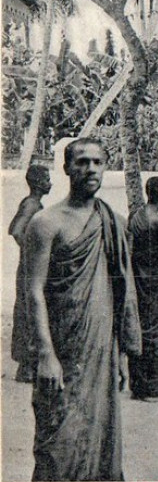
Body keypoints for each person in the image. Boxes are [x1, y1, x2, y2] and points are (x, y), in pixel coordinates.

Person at [24, 138, 141, 481]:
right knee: (57, 444)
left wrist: (119, 355)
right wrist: (46, 354)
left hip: (100, 352)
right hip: (61, 351)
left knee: (99, 439)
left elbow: (118, 294)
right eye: (81, 162)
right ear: (66, 168)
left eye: (97, 162)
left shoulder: (113, 223)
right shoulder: (46, 223)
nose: (90, 169)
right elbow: (33, 292)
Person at [128, 176, 158, 401]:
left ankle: (137, 386)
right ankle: (154, 389)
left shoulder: (135, 216)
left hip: (137, 278)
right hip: (155, 280)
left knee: (140, 327)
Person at [9, 161, 52, 383]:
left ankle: (28, 367)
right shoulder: (31, 205)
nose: (50, 184)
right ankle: (26, 367)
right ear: (37, 183)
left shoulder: (34, 204)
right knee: (29, 313)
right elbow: (16, 230)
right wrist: (32, 253)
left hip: (29, 268)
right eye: (46, 180)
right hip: (29, 268)